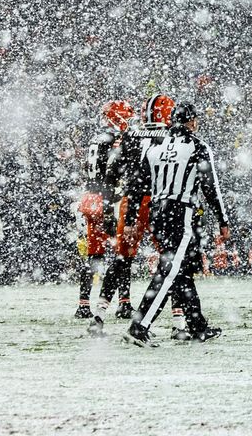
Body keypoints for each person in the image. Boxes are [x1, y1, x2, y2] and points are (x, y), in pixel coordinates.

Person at [125, 102, 230, 346]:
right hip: (180, 211)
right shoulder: (197, 146)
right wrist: (222, 220)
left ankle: (197, 326)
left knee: (180, 271)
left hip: (157, 212)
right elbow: (210, 187)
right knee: (171, 271)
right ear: (192, 121)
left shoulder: (155, 144)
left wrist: (130, 219)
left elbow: (137, 184)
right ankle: (139, 326)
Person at [88, 94, 175, 336]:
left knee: (121, 259)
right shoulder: (170, 137)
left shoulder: (131, 135)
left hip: (130, 201)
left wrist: (109, 204)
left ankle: (98, 315)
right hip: (160, 202)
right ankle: (178, 323)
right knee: (170, 261)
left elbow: (112, 172)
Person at [74, 99, 133, 318]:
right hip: (108, 198)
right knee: (122, 253)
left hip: (90, 197)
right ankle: (124, 302)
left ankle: (83, 304)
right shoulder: (115, 139)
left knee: (94, 255)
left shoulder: (96, 137)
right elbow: (114, 172)